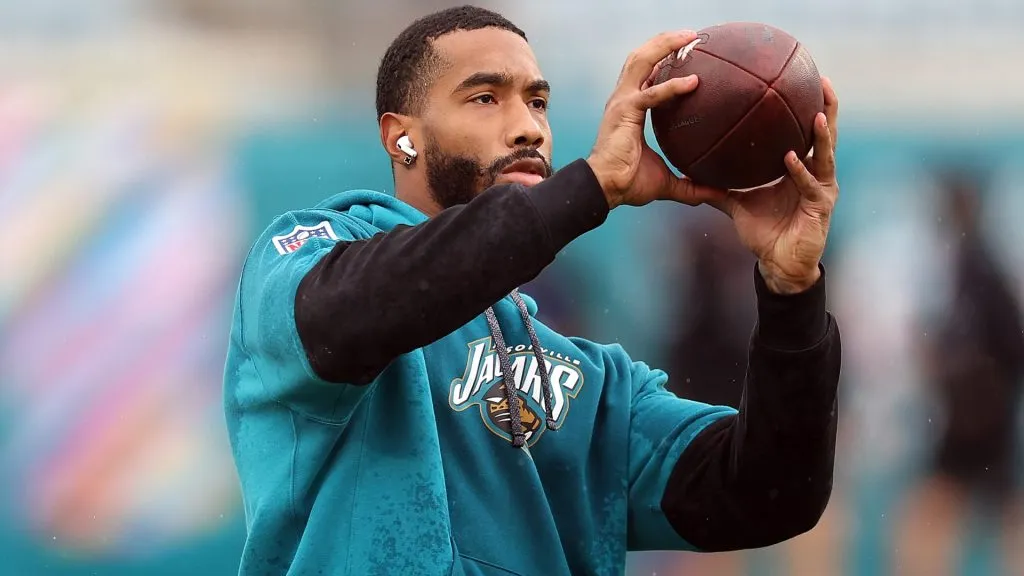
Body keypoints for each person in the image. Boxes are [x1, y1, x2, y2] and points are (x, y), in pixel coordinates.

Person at [223, 6, 843, 575]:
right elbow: (354, 312)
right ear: (400, 136)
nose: (528, 128)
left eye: (538, 102)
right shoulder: (305, 257)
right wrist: (591, 186)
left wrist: (791, 294)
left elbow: (771, 494)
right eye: (485, 98)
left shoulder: (593, 384)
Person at [893, 169, 1024, 575]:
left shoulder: (978, 266)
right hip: (981, 412)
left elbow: (1004, 342)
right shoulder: (972, 262)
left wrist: (961, 372)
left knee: (930, 515)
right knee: (993, 511)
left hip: (976, 416)